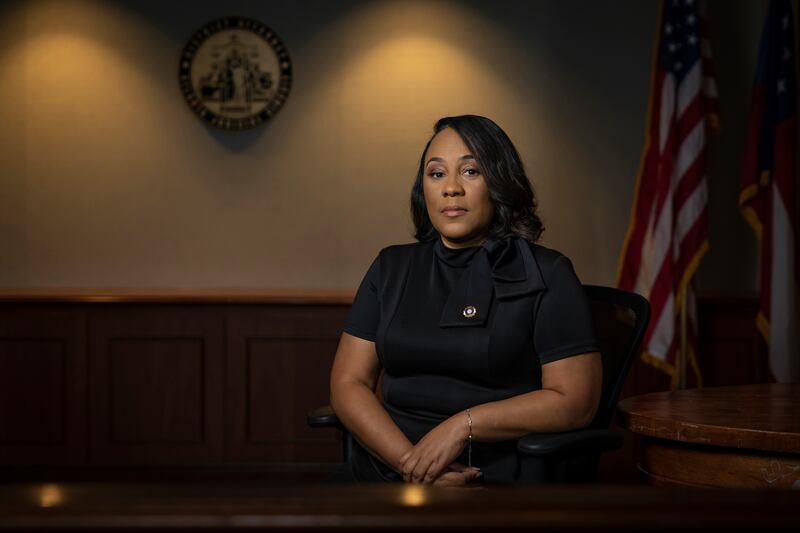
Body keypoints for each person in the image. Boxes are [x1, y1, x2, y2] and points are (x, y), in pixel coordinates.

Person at [329, 115, 602, 486]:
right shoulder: (390, 267)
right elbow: (349, 383)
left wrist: (462, 426)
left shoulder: (548, 272)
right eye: (437, 174)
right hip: (389, 466)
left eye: (471, 172)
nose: (451, 188)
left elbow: (576, 401)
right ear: (422, 187)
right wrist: (412, 464)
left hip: (494, 474)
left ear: (499, 182)